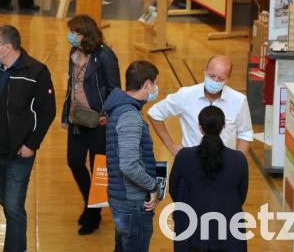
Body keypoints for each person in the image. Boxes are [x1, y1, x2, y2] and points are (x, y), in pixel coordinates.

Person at [0, 25, 56, 252]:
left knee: (14, 207)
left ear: (7, 48)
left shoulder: (37, 72)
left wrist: (31, 144)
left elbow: (47, 112)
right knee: (6, 202)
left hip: (19, 152)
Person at [61, 15, 121, 235]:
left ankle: (93, 214)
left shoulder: (105, 56)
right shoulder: (73, 53)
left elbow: (115, 89)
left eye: (75, 33)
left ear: (86, 34)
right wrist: (65, 115)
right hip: (78, 118)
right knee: (74, 161)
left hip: (99, 122)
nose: (71, 36)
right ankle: (89, 204)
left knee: (98, 171)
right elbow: (72, 86)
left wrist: (108, 115)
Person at [169, 105, 249, 252]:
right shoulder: (239, 159)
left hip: (192, 228)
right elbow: (241, 195)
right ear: (223, 126)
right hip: (229, 228)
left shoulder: (184, 156)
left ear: (200, 127)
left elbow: (173, 189)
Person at [104, 60, 161, 252]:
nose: (156, 89)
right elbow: (128, 164)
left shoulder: (121, 109)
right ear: (146, 84)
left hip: (122, 197)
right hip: (132, 201)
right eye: (155, 83)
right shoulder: (129, 116)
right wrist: (152, 186)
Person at [148, 55, 254, 156]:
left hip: (224, 164)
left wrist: (237, 161)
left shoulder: (239, 100)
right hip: (192, 162)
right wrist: (171, 147)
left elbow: (245, 133)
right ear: (205, 72)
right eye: (212, 76)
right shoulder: (186, 95)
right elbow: (155, 113)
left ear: (227, 79)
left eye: (221, 79)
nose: (215, 81)